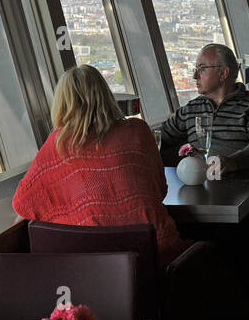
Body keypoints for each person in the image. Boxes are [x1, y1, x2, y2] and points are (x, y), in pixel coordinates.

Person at [13, 64, 185, 270]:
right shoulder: (138, 132)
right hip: (157, 261)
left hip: (94, 273)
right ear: (106, 95)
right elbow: (160, 190)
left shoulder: (58, 144)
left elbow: (23, 204)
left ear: (62, 103)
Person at [159, 44, 249, 176]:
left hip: (241, 185)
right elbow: (159, 137)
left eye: (202, 69)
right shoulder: (191, 109)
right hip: (198, 184)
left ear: (223, 73)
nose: (195, 76)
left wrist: (234, 162)